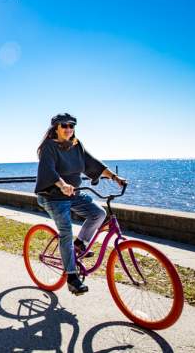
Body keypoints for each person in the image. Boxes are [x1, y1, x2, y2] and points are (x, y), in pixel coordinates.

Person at [35, 113, 127, 295]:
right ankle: (71, 277)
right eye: (64, 125)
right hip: (52, 196)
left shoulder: (76, 145)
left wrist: (115, 178)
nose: (68, 129)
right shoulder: (49, 147)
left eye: (72, 126)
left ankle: (79, 244)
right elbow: (48, 170)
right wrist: (62, 184)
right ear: (56, 127)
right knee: (66, 232)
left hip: (72, 194)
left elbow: (92, 163)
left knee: (99, 214)